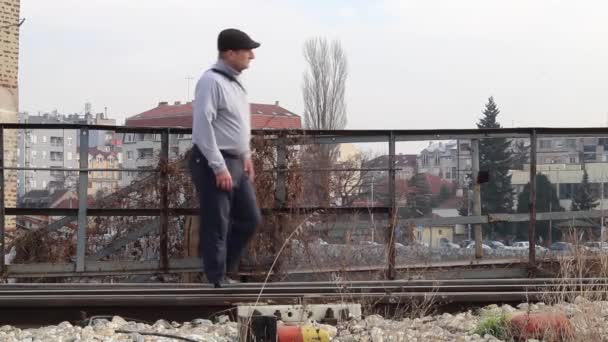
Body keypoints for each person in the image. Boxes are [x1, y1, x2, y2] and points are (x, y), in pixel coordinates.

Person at [189, 28, 262, 288]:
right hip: (213, 161)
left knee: (249, 218)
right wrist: (218, 167)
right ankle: (216, 279)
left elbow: (237, 124)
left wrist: (246, 155)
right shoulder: (211, 81)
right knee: (216, 222)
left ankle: (223, 272)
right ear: (230, 53)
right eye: (247, 51)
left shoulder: (235, 84)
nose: (251, 56)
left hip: (236, 161)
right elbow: (202, 127)